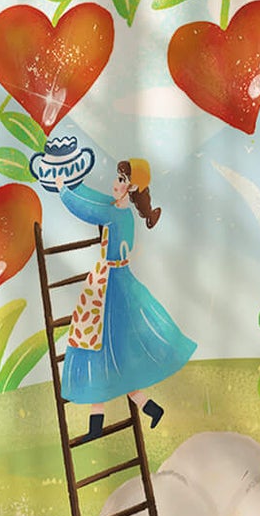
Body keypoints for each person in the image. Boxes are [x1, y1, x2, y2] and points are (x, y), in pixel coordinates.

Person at [50, 157, 196, 434]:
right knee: (112, 357)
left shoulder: (115, 215)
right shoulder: (121, 211)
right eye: (118, 178)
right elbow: (98, 200)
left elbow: (89, 210)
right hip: (116, 281)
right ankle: (148, 409)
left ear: (131, 187)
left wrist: (64, 192)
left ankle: (100, 423)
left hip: (110, 287)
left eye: (121, 180)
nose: (115, 184)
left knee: (99, 351)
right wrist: (76, 185)